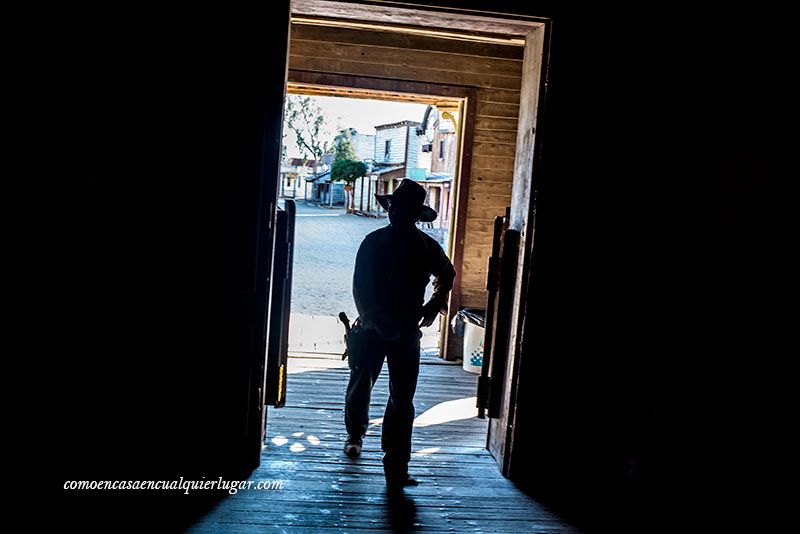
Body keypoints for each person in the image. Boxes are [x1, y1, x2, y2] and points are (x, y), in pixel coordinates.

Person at [344, 178, 456, 490]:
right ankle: (355, 434)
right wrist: (377, 321)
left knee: (402, 398)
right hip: (371, 327)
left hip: (406, 329)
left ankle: (396, 463)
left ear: (414, 214)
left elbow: (447, 273)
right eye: (395, 207)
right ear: (391, 209)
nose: (397, 213)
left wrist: (434, 304)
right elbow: (361, 289)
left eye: (404, 209)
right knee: (360, 382)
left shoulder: (426, 247)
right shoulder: (373, 242)